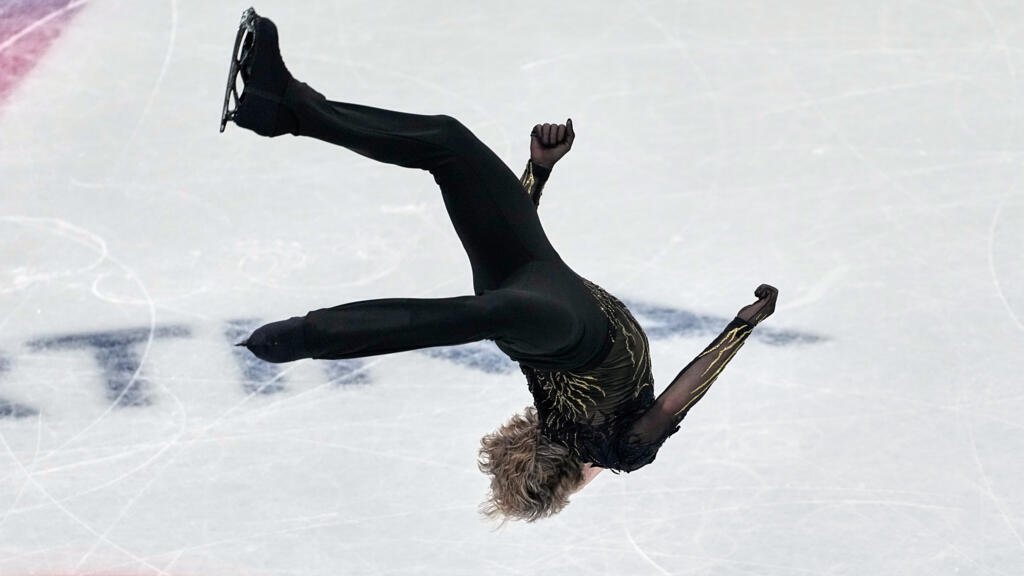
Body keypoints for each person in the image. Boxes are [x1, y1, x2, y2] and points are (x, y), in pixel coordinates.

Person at [221, 7, 779, 525]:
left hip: (562, 328)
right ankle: (282, 107)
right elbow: (674, 396)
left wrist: (742, 327)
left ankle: (306, 334)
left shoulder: (615, 448)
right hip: (532, 289)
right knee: (447, 143)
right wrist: (536, 173)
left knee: (479, 296)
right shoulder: (606, 444)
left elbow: (683, 393)